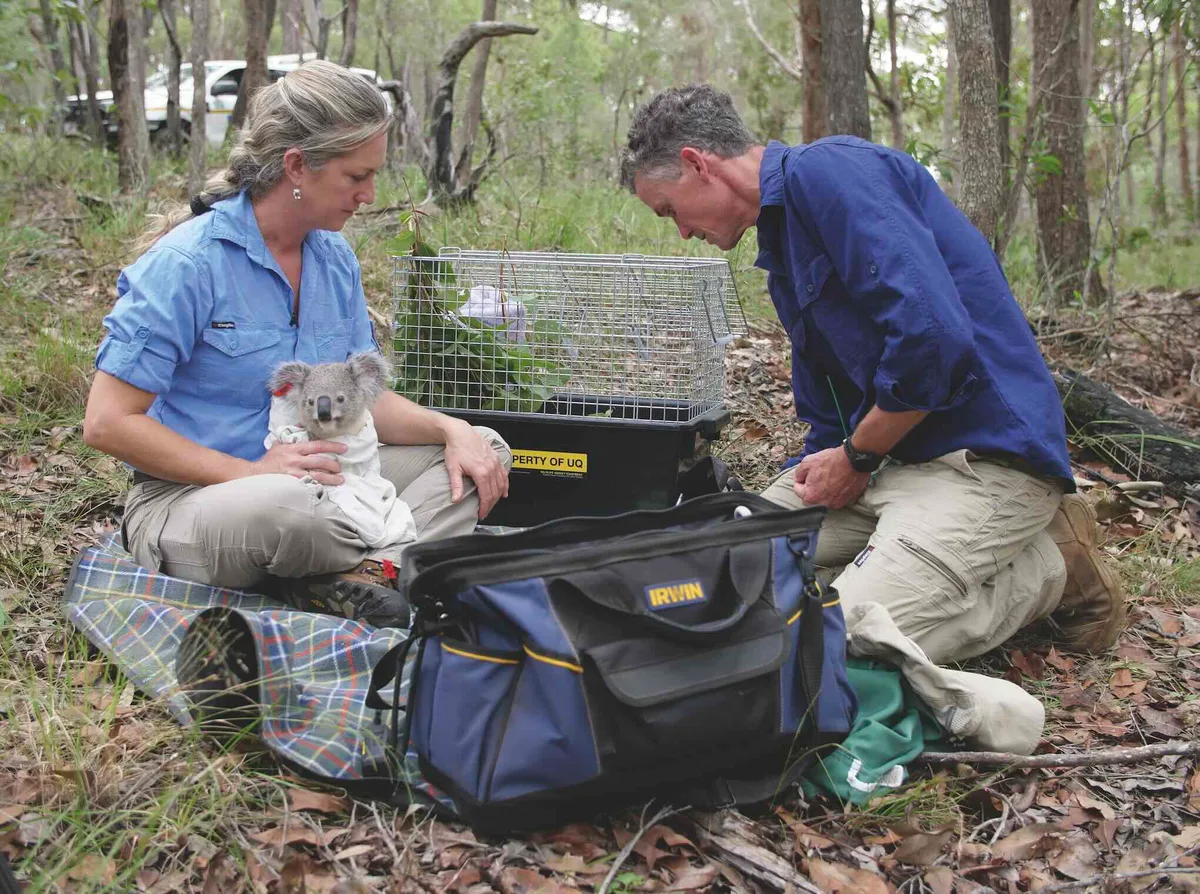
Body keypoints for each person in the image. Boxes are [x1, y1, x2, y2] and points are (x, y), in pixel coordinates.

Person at [618, 85, 1127, 664]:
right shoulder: (780, 244)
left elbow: (934, 343)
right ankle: (921, 554)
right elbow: (827, 398)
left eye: (669, 211)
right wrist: (819, 471)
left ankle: (1054, 563)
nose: (682, 232)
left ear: (695, 164)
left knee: (834, 636)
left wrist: (856, 457)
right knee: (717, 566)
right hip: (885, 462)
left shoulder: (831, 172)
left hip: (983, 462)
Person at [82, 60, 511, 628]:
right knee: (290, 513)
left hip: (326, 477)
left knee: (481, 453)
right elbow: (108, 423)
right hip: (204, 500)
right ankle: (385, 565)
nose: (369, 195)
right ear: (296, 167)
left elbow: (362, 401)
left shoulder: (334, 259)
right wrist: (249, 473)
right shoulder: (187, 265)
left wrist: (449, 430)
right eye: (356, 177)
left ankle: (354, 582)